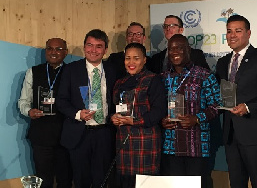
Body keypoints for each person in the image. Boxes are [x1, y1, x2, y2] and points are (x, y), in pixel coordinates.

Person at [215, 15, 257, 188]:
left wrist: (248, 107)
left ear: (248, 33)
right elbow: (221, 92)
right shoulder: (223, 62)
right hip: (230, 132)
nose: (232, 35)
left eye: (238, 31)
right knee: (236, 183)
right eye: (229, 31)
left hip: (256, 132)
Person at [56, 29, 116, 188]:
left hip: (104, 133)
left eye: (98, 46)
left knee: (102, 180)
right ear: (84, 47)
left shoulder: (112, 70)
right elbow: (61, 100)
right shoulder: (70, 70)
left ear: (105, 50)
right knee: (81, 180)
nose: (93, 50)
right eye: (90, 45)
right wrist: (77, 114)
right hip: (79, 134)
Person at [160, 34, 222, 188]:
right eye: (171, 48)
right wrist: (162, 120)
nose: (175, 51)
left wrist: (197, 118)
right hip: (171, 146)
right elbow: (157, 107)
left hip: (197, 145)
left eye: (179, 48)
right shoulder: (163, 78)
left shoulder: (204, 75)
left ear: (188, 49)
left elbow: (217, 105)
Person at [18, 38, 72, 188]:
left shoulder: (72, 72)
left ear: (66, 53)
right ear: (46, 51)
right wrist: (29, 111)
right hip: (41, 135)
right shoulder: (33, 72)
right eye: (50, 48)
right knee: (43, 180)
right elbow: (23, 101)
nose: (53, 52)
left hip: (65, 135)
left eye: (58, 49)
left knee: (65, 179)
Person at [111, 43, 166, 188]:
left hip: (145, 142)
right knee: (125, 183)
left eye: (136, 58)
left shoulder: (153, 79)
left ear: (144, 60)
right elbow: (114, 108)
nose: (131, 62)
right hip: (124, 141)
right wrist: (113, 117)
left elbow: (158, 111)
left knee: (145, 183)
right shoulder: (119, 83)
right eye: (128, 58)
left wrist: (134, 121)